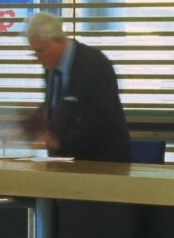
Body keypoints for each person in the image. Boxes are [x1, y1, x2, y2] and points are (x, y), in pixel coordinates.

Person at [20, 10, 131, 161]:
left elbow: (101, 120)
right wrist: (25, 128)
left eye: (41, 50)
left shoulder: (95, 64)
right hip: (66, 160)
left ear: (58, 40)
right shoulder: (51, 67)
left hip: (103, 162)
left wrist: (59, 143)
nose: (38, 59)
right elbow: (52, 106)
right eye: (35, 52)